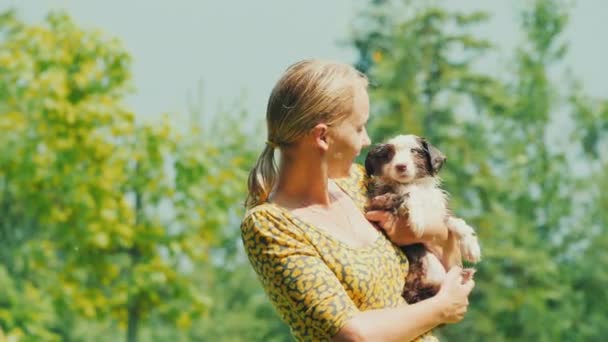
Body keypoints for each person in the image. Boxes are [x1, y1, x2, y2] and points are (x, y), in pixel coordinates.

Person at [241, 59, 475, 341]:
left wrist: (430, 230)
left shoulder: (360, 183)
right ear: (323, 137)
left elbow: (449, 266)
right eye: (358, 128)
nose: (366, 141)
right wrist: (441, 308)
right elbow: (354, 336)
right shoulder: (271, 226)